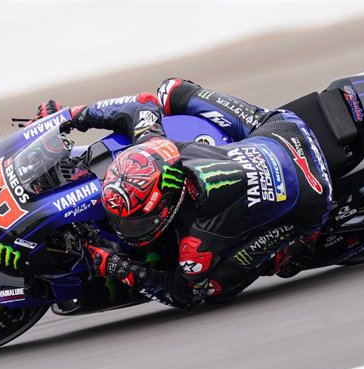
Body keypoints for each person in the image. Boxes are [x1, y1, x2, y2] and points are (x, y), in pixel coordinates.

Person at [28, 79, 333, 308]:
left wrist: (117, 266)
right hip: (281, 131)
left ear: (168, 207)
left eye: (135, 222)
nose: (124, 228)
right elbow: (143, 104)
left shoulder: (197, 241)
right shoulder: (155, 147)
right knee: (171, 90)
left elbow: (183, 293)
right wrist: (68, 117)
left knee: (213, 288)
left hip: (312, 194)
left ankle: (297, 245)